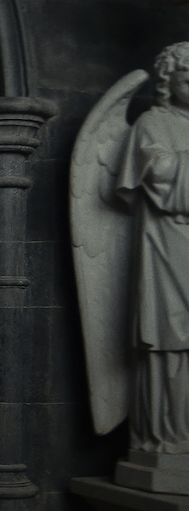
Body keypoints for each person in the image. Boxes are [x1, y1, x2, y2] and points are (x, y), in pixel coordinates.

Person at [115, 41, 189, 455]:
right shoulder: (153, 123)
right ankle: (165, 435)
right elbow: (159, 175)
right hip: (167, 247)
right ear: (167, 80)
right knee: (169, 341)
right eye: (188, 76)